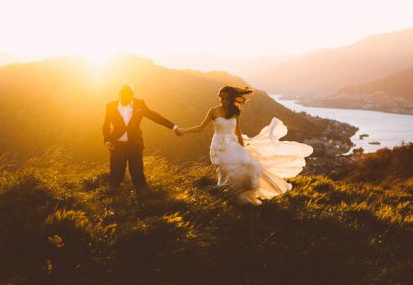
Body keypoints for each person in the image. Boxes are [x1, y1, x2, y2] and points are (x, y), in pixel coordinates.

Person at [179, 86, 313, 204]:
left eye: (226, 98)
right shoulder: (213, 111)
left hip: (233, 143)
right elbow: (200, 127)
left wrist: (242, 147)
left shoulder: (235, 111)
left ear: (231, 98)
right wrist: (184, 130)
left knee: (250, 165)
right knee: (226, 169)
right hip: (218, 146)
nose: (223, 100)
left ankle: (239, 193)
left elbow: (237, 131)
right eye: (221, 98)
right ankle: (225, 193)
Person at [103, 83, 182, 192]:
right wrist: (106, 140)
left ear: (132, 95)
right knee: (116, 175)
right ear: (119, 94)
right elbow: (106, 125)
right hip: (116, 145)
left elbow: (155, 116)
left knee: (137, 174)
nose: (126, 97)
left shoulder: (139, 104)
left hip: (134, 145)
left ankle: (144, 199)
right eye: (124, 95)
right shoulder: (111, 106)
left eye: (129, 95)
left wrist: (173, 127)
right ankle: (113, 200)